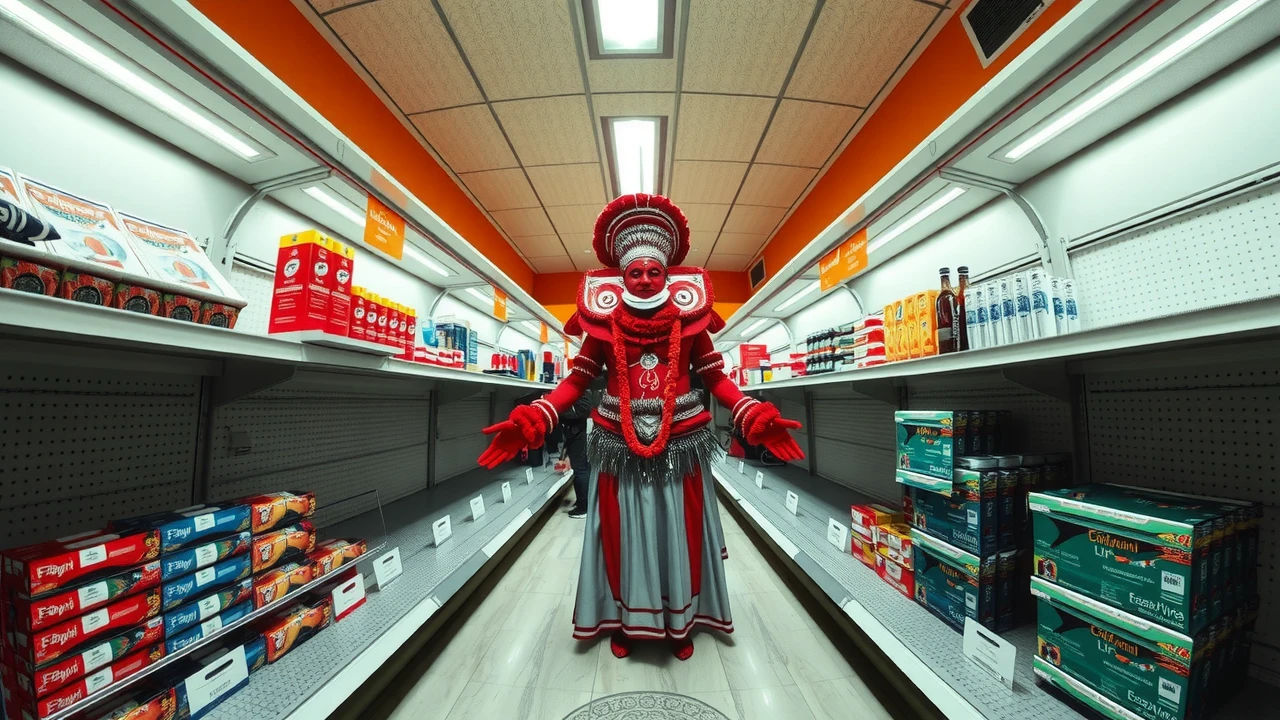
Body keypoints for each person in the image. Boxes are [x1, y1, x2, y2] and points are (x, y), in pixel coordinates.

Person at [478, 194, 804, 661]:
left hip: (682, 446)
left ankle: (680, 623)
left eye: (655, 271)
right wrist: (537, 415)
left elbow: (715, 377)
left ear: (668, 277)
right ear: (622, 277)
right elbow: (577, 381)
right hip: (617, 446)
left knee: (680, 531)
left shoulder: (694, 324)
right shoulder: (601, 326)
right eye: (636, 272)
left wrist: (752, 412)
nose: (646, 280)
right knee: (621, 532)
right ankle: (628, 622)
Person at [560, 389, 595, 518]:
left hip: (579, 435)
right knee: (581, 470)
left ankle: (583, 508)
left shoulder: (583, 389)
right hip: (577, 433)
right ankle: (583, 501)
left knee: (581, 470)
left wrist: (558, 410)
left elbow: (582, 410)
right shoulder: (582, 389)